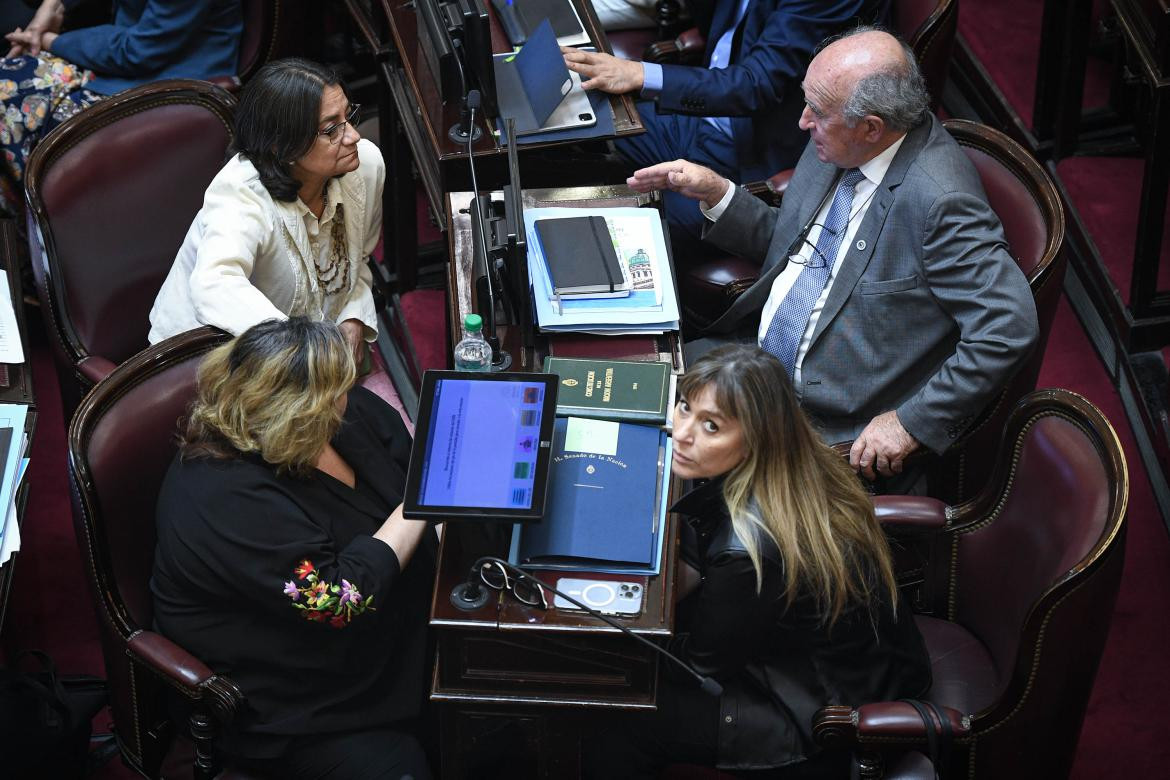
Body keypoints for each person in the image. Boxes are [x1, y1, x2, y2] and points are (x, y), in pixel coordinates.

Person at [626, 27, 1040, 486]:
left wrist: (910, 421)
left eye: (817, 112)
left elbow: (1008, 327)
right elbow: (796, 248)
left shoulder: (940, 201)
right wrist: (719, 193)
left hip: (821, 421)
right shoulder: (842, 136)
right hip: (751, 361)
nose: (803, 121)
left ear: (871, 127)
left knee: (651, 483)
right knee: (609, 395)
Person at [586, 344, 931, 777]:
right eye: (684, 408)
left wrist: (608, 639)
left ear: (754, 440)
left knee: (615, 712)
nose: (682, 433)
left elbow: (698, 665)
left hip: (809, 710)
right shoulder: (799, 465)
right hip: (867, 665)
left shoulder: (748, 549)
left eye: (711, 426)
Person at [152, 317, 436, 779]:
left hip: (389, 630)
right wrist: (425, 503)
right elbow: (337, 600)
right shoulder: (225, 497)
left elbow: (407, 460)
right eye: (338, 394)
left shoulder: (341, 414)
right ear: (298, 417)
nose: (350, 399)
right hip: (299, 695)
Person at [564, 0, 888, 253]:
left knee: (629, 231)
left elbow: (756, 84)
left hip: (752, 152)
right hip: (700, 116)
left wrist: (639, 74)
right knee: (574, 125)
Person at [149, 57, 383, 368]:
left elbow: (358, 259)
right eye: (331, 130)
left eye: (348, 115)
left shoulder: (365, 166)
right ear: (281, 147)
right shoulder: (240, 194)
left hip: (306, 361)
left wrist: (354, 315)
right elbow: (216, 285)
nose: (353, 135)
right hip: (215, 358)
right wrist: (308, 351)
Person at [0, 0, 242, 215]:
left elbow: (138, 51)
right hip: (120, 59)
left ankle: (38, 242)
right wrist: (52, 5)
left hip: (169, 82)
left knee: (20, 112)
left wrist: (49, 41)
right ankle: (27, 243)